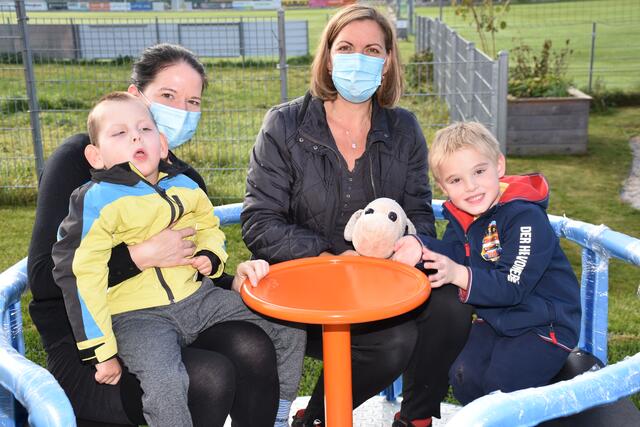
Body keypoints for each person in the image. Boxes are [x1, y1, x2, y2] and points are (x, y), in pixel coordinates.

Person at [240, 5, 473, 426]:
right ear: (329, 58)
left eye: (371, 50)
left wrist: (412, 244)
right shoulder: (284, 125)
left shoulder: (404, 129)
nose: (358, 59)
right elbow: (260, 223)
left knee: (451, 307)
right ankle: (317, 419)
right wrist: (333, 257)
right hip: (305, 287)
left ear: (386, 62)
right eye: (346, 48)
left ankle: (414, 418)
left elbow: (419, 214)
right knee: (392, 341)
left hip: (379, 285)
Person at [27, 43, 282, 427]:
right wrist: (138, 256)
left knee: (255, 345)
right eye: (167, 96)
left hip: (176, 313)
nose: (180, 110)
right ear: (136, 96)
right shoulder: (79, 162)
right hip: (88, 339)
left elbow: (186, 258)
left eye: (192, 101)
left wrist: (229, 278)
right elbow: (44, 277)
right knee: (210, 377)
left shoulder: (183, 180)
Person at [394, 121, 581, 404]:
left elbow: (511, 286)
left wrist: (459, 274)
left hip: (544, 326)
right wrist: (419, 247)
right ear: (443, 186)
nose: (471, 187)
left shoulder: (524, 217)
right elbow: (455, 253)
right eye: (456, 180)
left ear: (499, 166)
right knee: (462, 374)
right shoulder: (464, 217)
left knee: (501, 385)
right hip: (496, 321)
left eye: (479, 172)